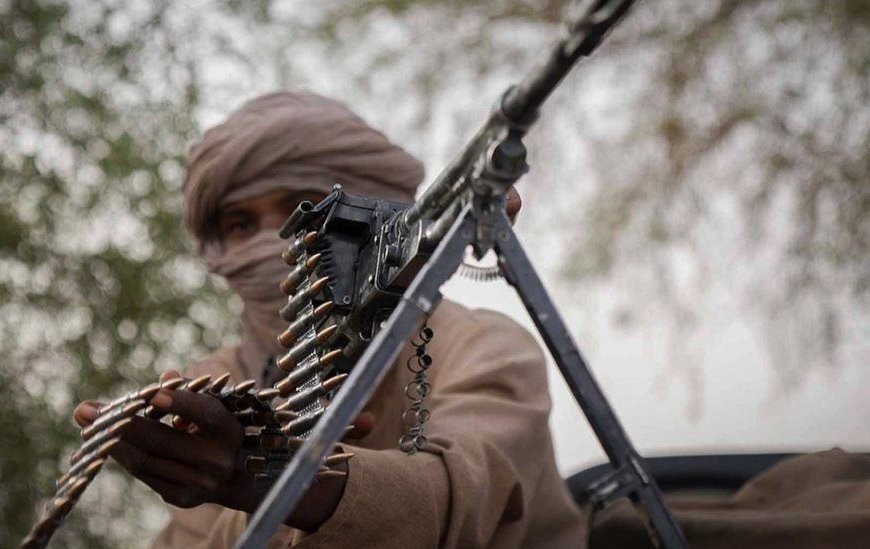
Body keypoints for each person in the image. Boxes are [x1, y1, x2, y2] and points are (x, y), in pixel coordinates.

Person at [73, 91, 585, 548]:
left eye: (305, 209)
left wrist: (274, 479)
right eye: (241, 223)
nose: (277, 241)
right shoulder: (210, 389)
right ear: (218, 246)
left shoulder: (483, 346)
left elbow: (468, 498)